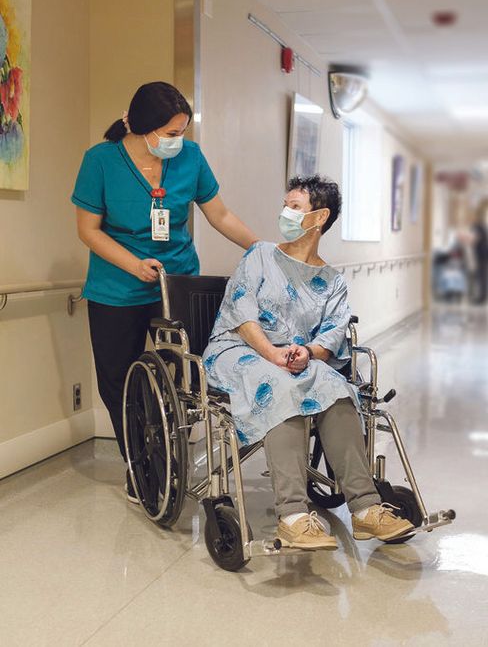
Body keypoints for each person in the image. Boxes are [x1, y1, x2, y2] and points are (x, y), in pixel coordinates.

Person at [202, 175, 413, 549]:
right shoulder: (260, 255)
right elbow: (242, 314)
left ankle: (365, 509)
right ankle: (294, 515)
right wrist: (273, 353)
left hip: (294, 357)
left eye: (295, 207)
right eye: (286, 204)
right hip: (239, 350)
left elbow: (332, 334)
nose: (285, 212)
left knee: (337, 387)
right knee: (281, 385)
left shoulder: (332, 281)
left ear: (319, 217)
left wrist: (309, 353)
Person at [72, 81, 258, 501]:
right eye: (172, 133)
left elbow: (221, 214)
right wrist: (133, 264)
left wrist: (261, 249)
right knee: (117, 381)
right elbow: (88, 230)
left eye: (182, 132)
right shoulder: (100, 161)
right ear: (139, 126)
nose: (179, 141)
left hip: (176, 282)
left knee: (188, 377)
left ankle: (170, 454)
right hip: (115, 287)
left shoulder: (189, 158)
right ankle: (140, 465)